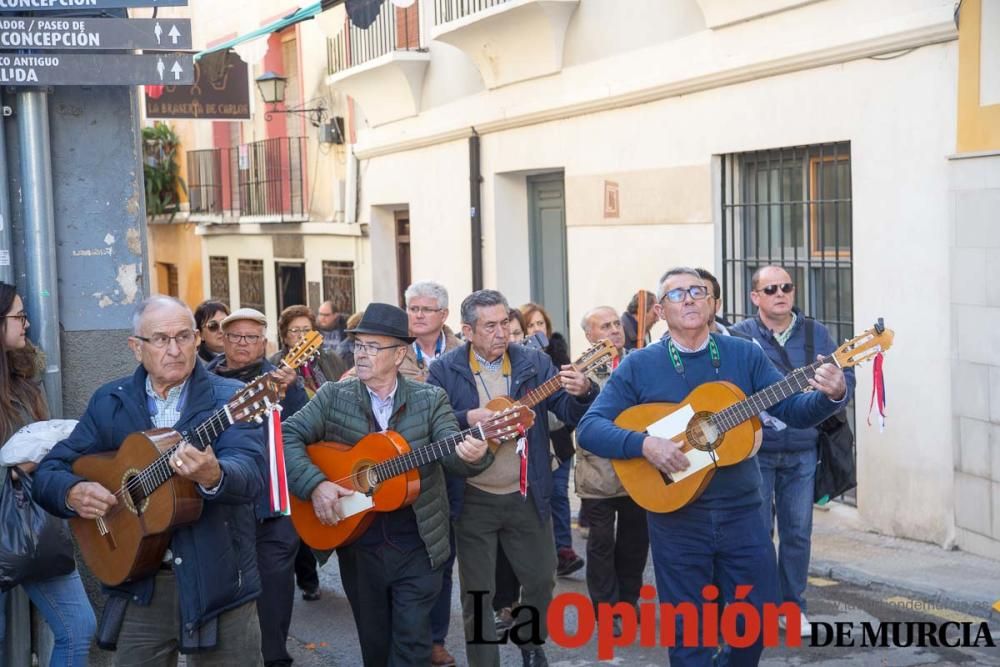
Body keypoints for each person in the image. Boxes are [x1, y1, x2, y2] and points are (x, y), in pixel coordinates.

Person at [576, 267, 848, 667]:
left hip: (743, 512)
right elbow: (590, 428)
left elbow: (792, 409)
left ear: (712, 304)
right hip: (677, 518)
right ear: (662, 311)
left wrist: (832, 394)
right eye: (676, 294)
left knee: (754, 623)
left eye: (697, 291)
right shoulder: (640, 365)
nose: (688, 298)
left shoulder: (744, 354)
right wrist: (644, 443)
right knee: (690, 633)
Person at [34, 295, 266, 665]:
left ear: (198, 340)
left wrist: (215, 474)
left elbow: (252, 474)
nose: (174, 349)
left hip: (219, 581)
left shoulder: (233, 399)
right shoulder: (111, 401)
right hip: (141, 582)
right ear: (136, 348)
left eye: (184, 337)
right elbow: (50, 471)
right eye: (160, 339)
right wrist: (72, 492)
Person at [282, 303, 492, 667]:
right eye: (358, 345)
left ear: (399, 354)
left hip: (417, 538)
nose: (361, 354)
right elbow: (286, 437)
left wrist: (474, 455)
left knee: (412, 643)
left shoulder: (430, 400)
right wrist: (315, 485)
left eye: (372, 347)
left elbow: (450, 453)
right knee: (375, 646)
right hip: (358, 540)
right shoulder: (334, 396)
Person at [428, 290, 598, 667]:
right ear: (468, 330)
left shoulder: (534, 362)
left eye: (505, 322)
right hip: (473, 497)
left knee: (541, 581)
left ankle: (528, 639)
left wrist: (583, 391)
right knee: (477, 595)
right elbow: (433, 424)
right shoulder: (445, 368)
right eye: (490, 325)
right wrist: (468, 418)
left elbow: (568, 412)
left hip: (526, 492)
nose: (501, 332)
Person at [731, 266, 856, 636]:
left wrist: (835, 387)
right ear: (756, 297)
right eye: (770, 289)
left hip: (803, 449)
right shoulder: (740, 337)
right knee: (756, 532)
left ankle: (793, 606)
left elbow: (844, 378)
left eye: (786, 287)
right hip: (756, 450)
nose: (780, 293)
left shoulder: (816, 333)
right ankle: (758, 607)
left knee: (797, 532)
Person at [0, 283, 95, 665]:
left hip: (33, 526)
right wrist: (21, 467)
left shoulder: (25, 383)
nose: (27, 324)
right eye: (19, 316)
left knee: (78, 627)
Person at [207, 308, 307, 667]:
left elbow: (305, 429)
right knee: (225, 588)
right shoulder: (204, 379)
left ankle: (275, 657)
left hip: (273, 504)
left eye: (252, 337)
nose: (243, 343)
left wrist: (292, 392)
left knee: (275, 589)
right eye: (236, 336)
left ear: (264, 342)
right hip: (223, 501)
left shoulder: (281, 378)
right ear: (224, 339)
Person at [575, 306, 648, 634]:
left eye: (617, 323)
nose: (615, 330)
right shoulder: (581, 372)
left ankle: (627, 601)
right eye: (605, 326)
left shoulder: (640, 361)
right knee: (601, 542)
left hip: (638, 466)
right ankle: (605, 609)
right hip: (598, 470)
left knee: (635, 540)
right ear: (590, 336)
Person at [520, 303, 583, 577]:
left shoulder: (559, 358)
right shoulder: (520, 362)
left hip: (559, 441)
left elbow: (568, 405)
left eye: (540, 324)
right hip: (530, 444)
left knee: (559, 495)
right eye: (530, 325)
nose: (537, 330)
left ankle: (564, 550)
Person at [403, 281, 461, 383]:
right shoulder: (395, 351)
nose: (419, 315)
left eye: (427, 310)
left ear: (443, 315)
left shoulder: (462, 352)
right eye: (413, 309)